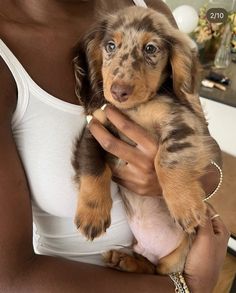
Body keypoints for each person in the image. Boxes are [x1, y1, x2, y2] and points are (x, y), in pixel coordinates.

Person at [0, 0, 229, 292]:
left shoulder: (149, 9)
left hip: (174, 253)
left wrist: (177, 181)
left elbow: (204, 141)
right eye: (110, 48)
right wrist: (189, 287)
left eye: (149, 51)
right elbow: (9, 279)